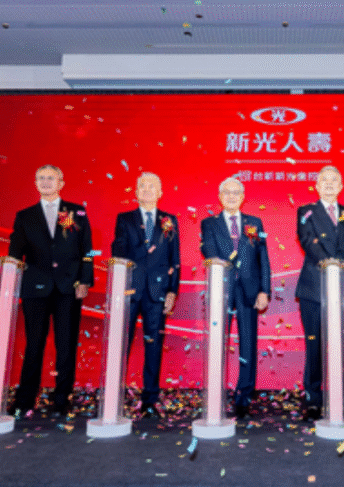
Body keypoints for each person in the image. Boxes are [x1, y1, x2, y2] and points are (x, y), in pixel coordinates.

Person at [7, 165, 94, 418]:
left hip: (69, 287)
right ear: (35, 183)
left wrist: (85, 281)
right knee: (34, 344)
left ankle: (61, 399)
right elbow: (15, 251)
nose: (46, 182)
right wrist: (12, 272)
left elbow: (88, 250)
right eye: (41, 178)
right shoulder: (25, 216)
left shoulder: (77, 211)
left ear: (61, 182)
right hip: (35, 287)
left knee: (66, 345)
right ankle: (25, 399)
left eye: (51, 178)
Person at [295, 165, 344, 422]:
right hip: (314, 289)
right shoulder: (306, 212)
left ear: (340, 186)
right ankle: (313, 400)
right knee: (314, 346)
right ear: (316, 185)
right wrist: (330, 264)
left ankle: (339, 398)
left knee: (341, 346)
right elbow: (306, 240)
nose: (328, 184)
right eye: (324, 180)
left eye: (333, 180)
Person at [199, 177, 272, 420]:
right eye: (226, 193)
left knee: (248, 344)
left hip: (249, 292)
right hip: (222, 289)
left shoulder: (255, 222)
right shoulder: (208, 223)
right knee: (218, 341)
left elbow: (263, 258)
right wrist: (217, 261)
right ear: (220, 197)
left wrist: (265, 290)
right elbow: (207, 249)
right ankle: (216, 394)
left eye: (236, 193)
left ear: (242, 197)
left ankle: (243, 397)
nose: (231, 196)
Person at [111, 172, 181, 418]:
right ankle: (114, 397)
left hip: (158, 292)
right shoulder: (125, 218)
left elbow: (175, 259)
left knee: (154, 347)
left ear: (160, 192)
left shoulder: (169, 220)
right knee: (122, 345)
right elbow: (118, 250)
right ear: (136, 191)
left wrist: (173, 290)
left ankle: (150, 399)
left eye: (153, 186)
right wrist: (147, 247)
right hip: (130, 289)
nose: (148, 189)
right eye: (143, 186)